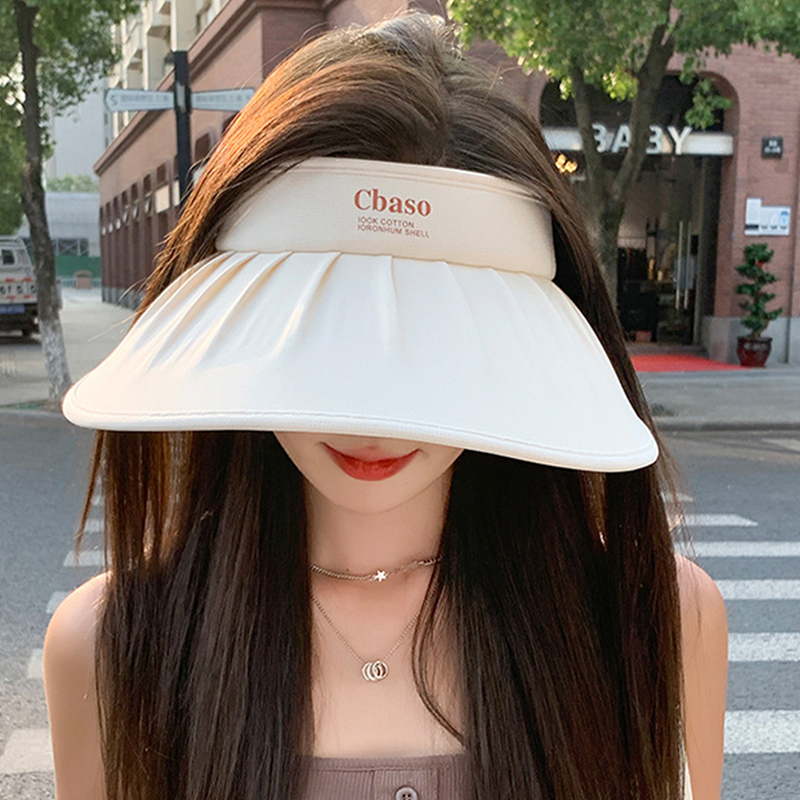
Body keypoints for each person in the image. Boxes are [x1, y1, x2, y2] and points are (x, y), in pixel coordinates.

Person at [46, 13, 727, 800]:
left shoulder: (659, 619)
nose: (373, 415)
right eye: (322, 326)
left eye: (439, 335)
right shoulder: (111, 645)